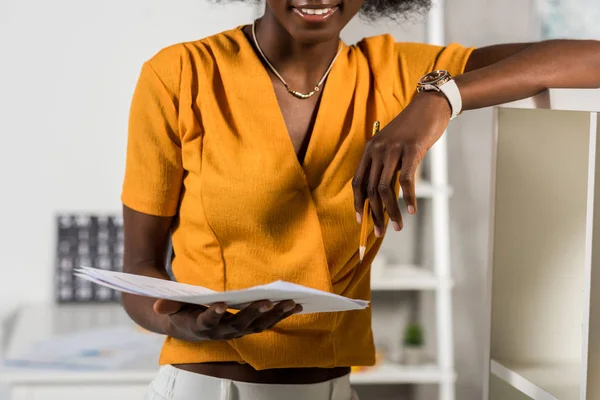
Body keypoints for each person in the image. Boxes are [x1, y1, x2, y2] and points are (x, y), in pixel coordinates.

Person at [120, 0, 600, 399]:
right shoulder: (180, 74)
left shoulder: (392, 72)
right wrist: (185, 326)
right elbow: (139, 270)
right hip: (203, 386)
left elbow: (589, 58)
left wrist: (439, 99)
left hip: (334, 391)